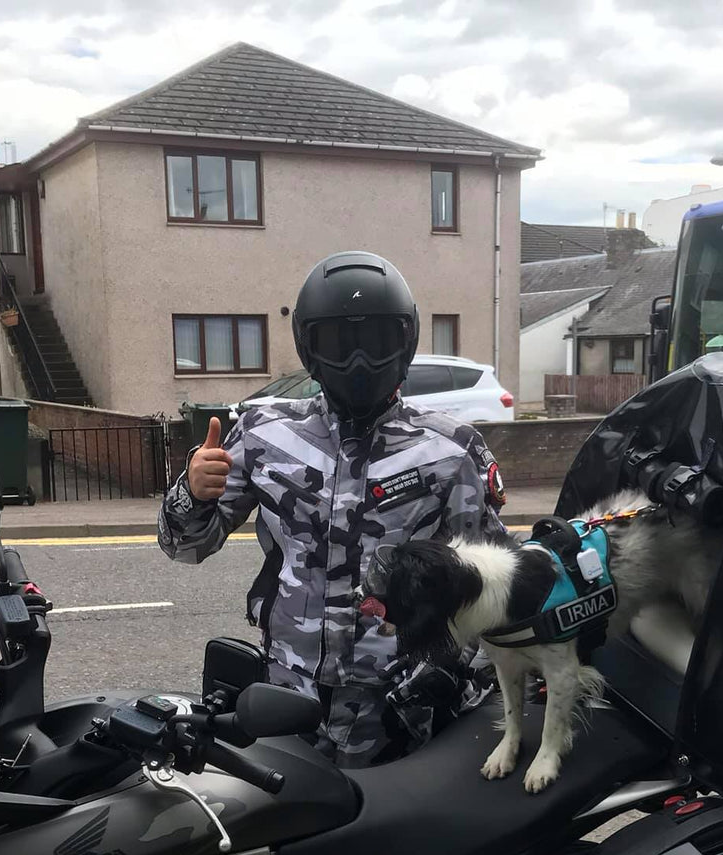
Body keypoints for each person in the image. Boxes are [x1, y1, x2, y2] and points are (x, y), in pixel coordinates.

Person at [158, 251, 508, 767]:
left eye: (377, 341)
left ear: (405, 340)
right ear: (308, 345)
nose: (359, 361)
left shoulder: (450, 450)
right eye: (340, 344)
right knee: (283, 832)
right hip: (288, 695)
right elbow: (184, 546)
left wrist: (455, 673)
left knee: (400, 842)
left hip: (403, 703)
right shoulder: (263, 434)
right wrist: (191, 491)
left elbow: (496, 582)